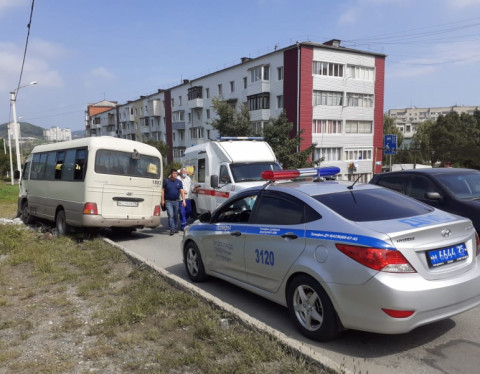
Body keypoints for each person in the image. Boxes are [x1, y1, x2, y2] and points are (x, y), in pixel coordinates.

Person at [162, 169, 186, 235]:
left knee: (175, 215)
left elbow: (181, 191)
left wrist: (184, 200)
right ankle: (172, 229)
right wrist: (162, 200)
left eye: (176, 173)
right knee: (171, 215)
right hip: (168, 201)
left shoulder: (179, 182)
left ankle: (175, 228)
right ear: (171, 174)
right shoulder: (166, 181)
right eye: (173, 173)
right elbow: (163, 190)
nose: (175, 175)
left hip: (176, 201)